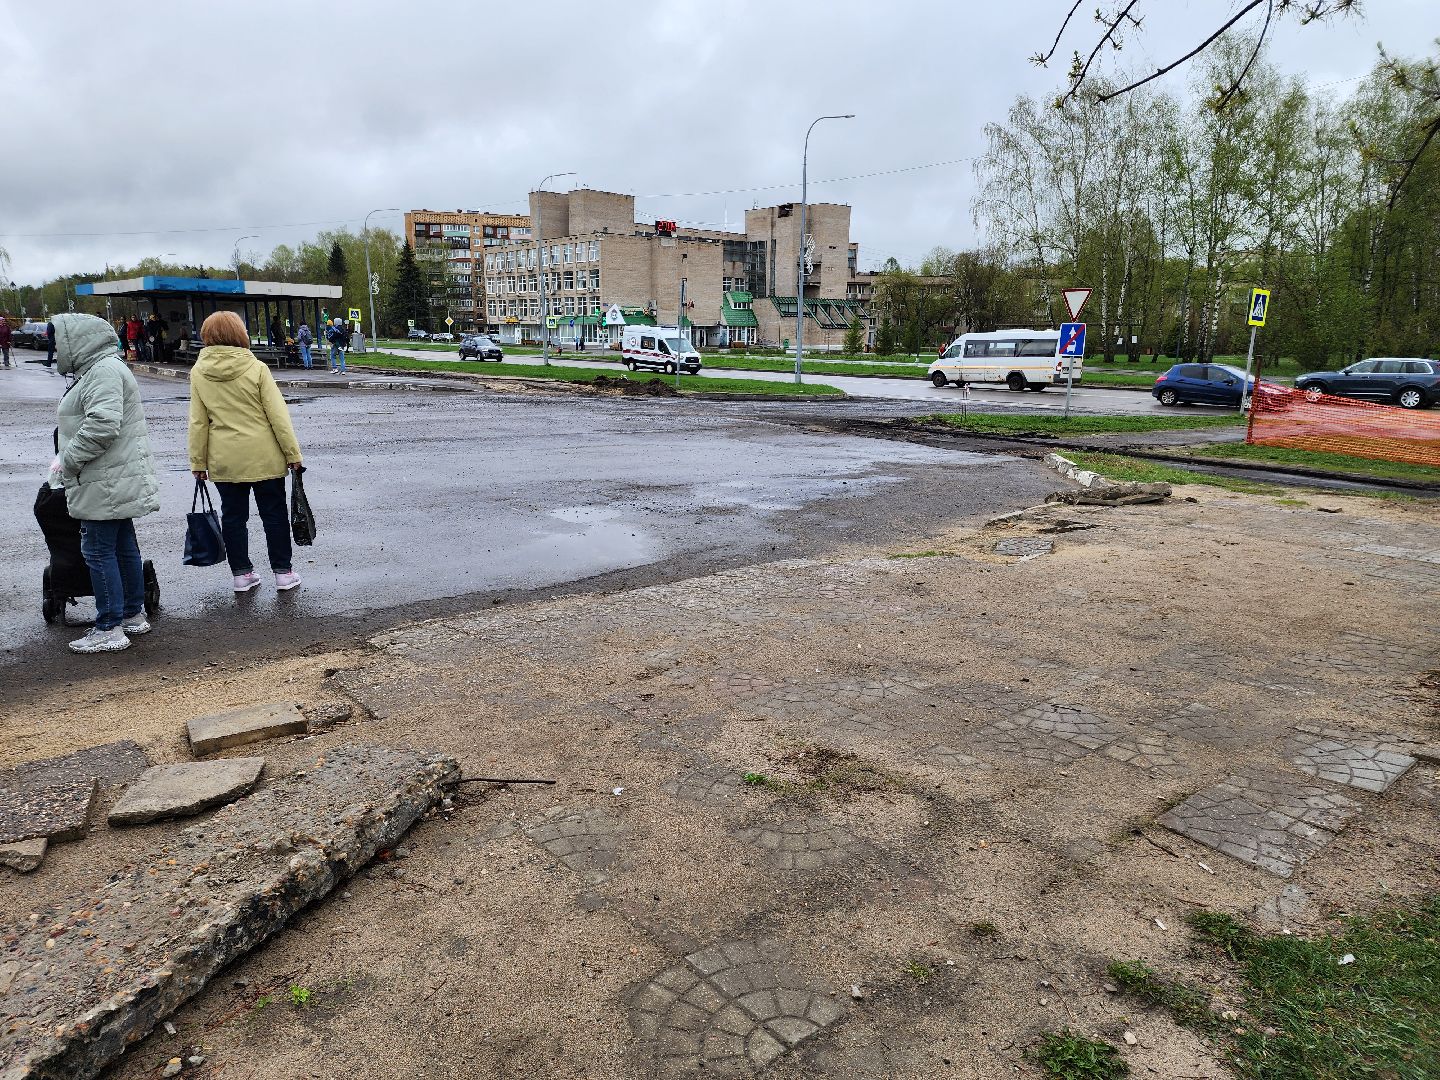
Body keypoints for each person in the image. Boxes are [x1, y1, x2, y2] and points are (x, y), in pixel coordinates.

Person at [53, 313, 160, 653]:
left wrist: (68, 461)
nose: (56, 348)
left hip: (105, 479)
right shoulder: (106, 368)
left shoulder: (101, 372)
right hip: (112, 477)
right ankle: (131, 614)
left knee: (98, 551)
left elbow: (102, 425)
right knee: (123, 546)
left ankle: (109, 626)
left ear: (76, 341)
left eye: (59, 341)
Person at [187, 310, 303, 593]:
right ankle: (283, 573)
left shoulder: (199, 372)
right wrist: (293, 454)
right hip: (265, 456)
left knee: (233, 517)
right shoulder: (257, 368)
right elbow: (278, 416)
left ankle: (242, 574)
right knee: (273, 515)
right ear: (240, 334)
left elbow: (198, 422)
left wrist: (198, 462)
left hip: (225, 459)